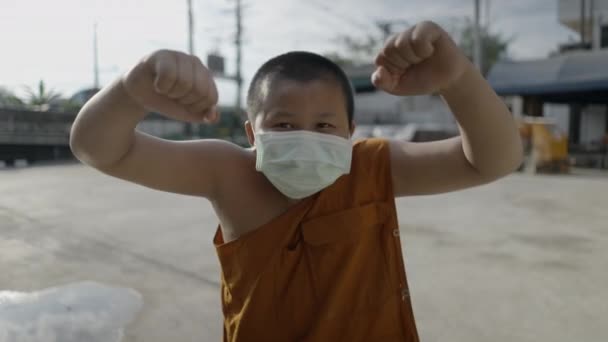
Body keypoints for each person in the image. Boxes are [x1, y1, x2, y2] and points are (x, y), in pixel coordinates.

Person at [70, 21, 523, 341]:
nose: (306, 139)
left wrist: (459, 79)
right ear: (252, 133)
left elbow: (492, 161)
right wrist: (131, 91)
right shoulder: (228, 174)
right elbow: (101, 149)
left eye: (325, 127)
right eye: (284, 126)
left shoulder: (371, 167)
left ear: (350, 133)